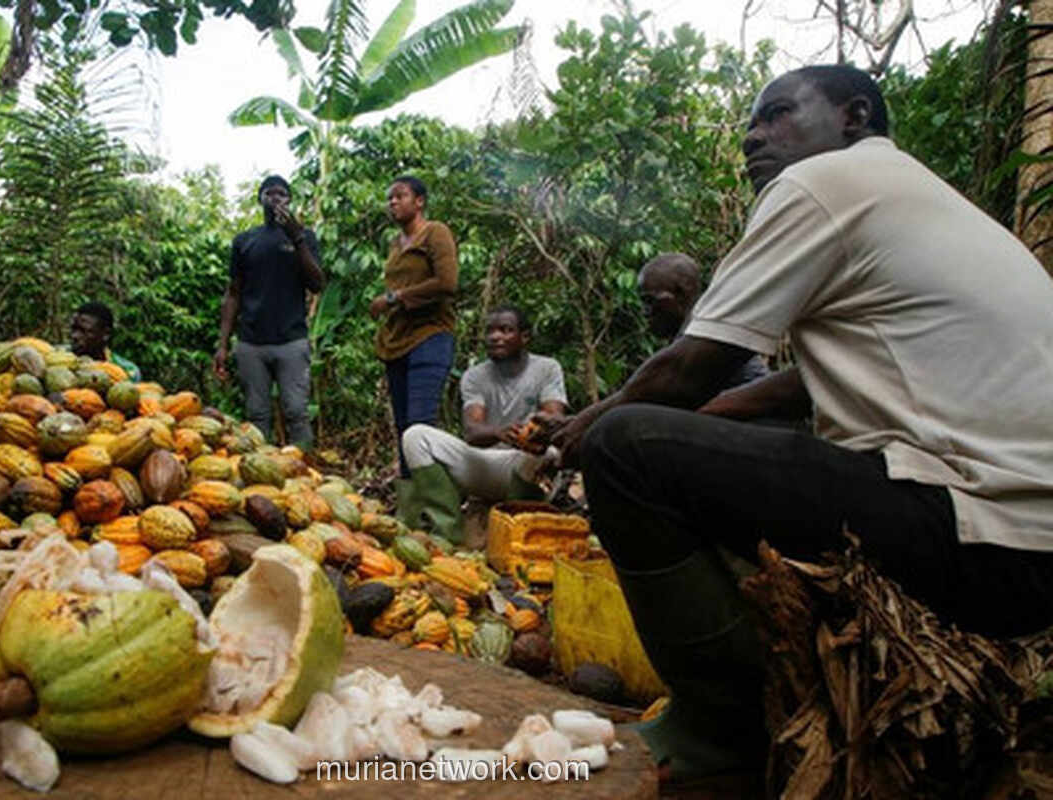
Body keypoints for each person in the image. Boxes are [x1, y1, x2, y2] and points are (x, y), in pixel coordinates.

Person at [549, 65, 1053, 783]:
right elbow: (797, 385)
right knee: (667, 438)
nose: (753, 137)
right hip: (1029, 544)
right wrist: (704, 424)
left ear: (854, 116)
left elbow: (693, 367)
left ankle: (719, 728)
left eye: (778, 113)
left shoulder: (824, 183)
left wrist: (586, 425)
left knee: (624, 447)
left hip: (973, 530)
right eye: (752, 123)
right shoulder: (916, 195)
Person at [398, 306, 568, 543]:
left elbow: (554, 418)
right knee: (415, 436)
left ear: (525, 337)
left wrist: (531, 434)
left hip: (526, 466)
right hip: (485, 464)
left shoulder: (547, 368)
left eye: (505, 330)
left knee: (548, 453)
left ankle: (516, 531)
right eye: (490, 331)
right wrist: (500, 432)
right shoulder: (475, 376)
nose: (495, 337)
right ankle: (447, 532)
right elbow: (472, 431)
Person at [214, 175, 324, 447]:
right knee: (257, 416)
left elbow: (317, 283)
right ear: (260, 199)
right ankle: (262, 468)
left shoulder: (305, 237)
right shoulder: (244, 241)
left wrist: (297, 238)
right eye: (270, 193)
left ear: (290, 200)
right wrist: (223, 344)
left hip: (292, 341)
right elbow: (233, 293)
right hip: (252, 342)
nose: (276, 199)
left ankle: (304, 466)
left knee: (297, 412)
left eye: (282, 194)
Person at [369, 175, 459, 478]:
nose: (393, 202)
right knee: (403, 426)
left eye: (400, 196)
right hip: (398, 341)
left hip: (430, 335)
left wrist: (393, 298)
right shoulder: (395, 243)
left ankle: (433, 496)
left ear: (419, 201)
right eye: (390, 198)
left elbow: (447, 282)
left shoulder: (435, 232)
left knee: (420, 424)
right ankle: (410, 494)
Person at [638, 252, 769, 389]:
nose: (645, 312)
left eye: (650, 301)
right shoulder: (695, 330)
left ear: (681, 293)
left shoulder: (703, 336)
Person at [69, 301, 141, 381]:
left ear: (106, 334)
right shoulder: (61, 360)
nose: (74, 336)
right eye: (73, 329)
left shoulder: (127, 370)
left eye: (83, 331)